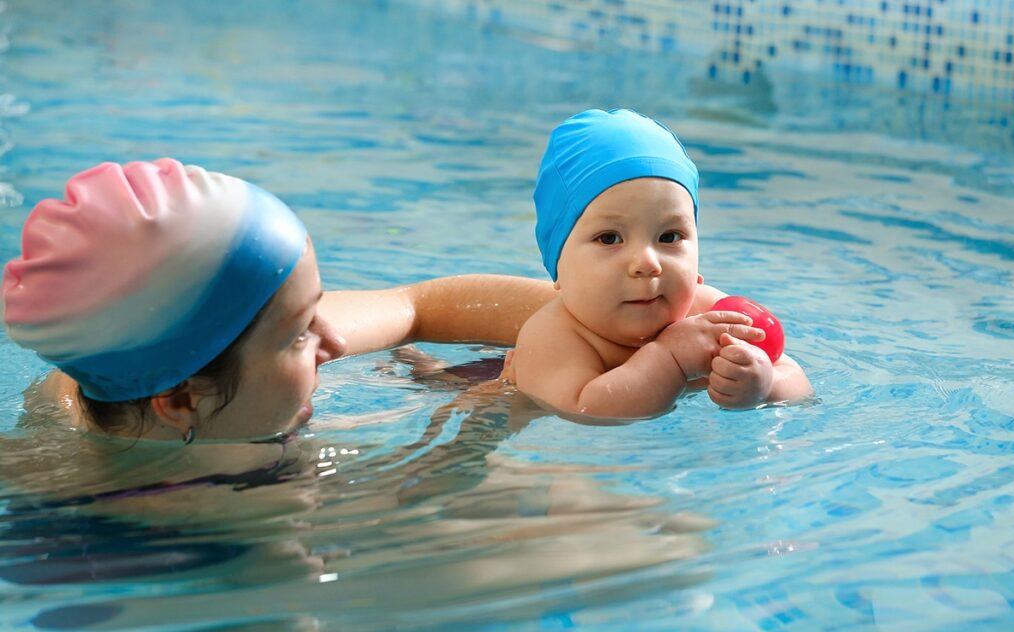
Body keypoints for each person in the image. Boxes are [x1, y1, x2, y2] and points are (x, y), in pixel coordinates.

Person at [2, 157, 555, 443]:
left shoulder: (145, 349)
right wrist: (489, 417)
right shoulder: (97, 503)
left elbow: (420, 304)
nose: (335, 340)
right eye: (299, 333)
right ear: (179, 402)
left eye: (316, 307)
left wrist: (601, 317)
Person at [507, 109, 812, 420]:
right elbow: (584, 411)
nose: (647, 263)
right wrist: (670, 358)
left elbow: (800, 386)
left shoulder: (708, 315)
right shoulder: (553, 336)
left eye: (669, 236)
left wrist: (765, 385)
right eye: (610, 239)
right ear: (558, 266)